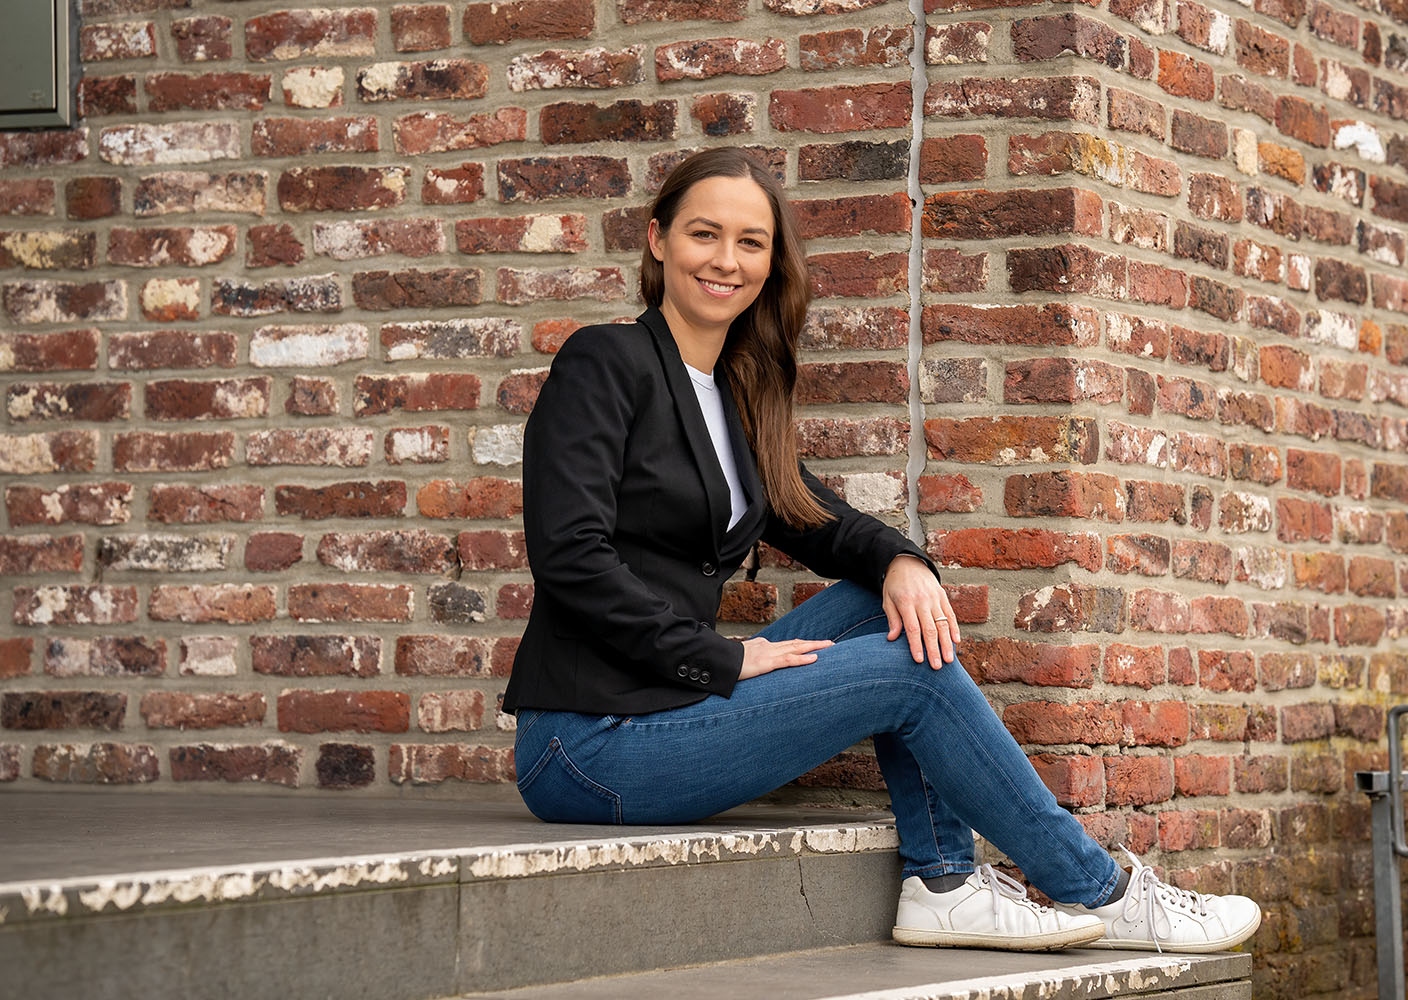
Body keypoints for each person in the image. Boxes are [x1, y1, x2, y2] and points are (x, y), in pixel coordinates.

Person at [502, 148, 1262, 953]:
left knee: (888, 608)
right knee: (911, 673)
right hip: (588, 744)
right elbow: (570, 556)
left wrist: (903, 562)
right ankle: (1100, 891)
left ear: (772, 262)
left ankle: (943, 885)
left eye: (751, 243)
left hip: (667, 708)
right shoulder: (605, 362)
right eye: (704, 234)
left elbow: (812, 516)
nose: (726, 260)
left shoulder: (736, 391)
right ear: (658, 241)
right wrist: (719, 657)